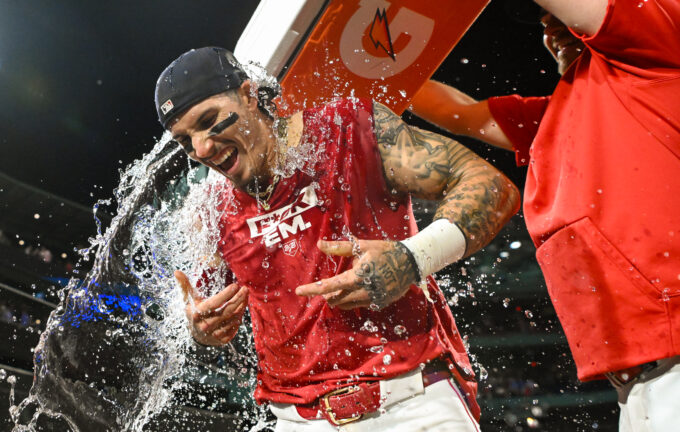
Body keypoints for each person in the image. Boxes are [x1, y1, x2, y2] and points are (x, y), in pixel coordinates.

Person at [155, 47, 520, 431]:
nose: (201, 148)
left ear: (248, 95)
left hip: (412, 404)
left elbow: (493, 188)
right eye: (185, 141)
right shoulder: (210, 207)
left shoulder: (348, 128)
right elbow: (206, 306)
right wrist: (201, 329)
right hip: (295, 420)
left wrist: (411, 259)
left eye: (209, 121)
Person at [409, 1, 680, 430]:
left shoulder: (660, 40)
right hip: (638, 381)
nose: (552, 29)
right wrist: (374, 66)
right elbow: (454, 112)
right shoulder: (553, 114)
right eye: (544, 24)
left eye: (562, 20)